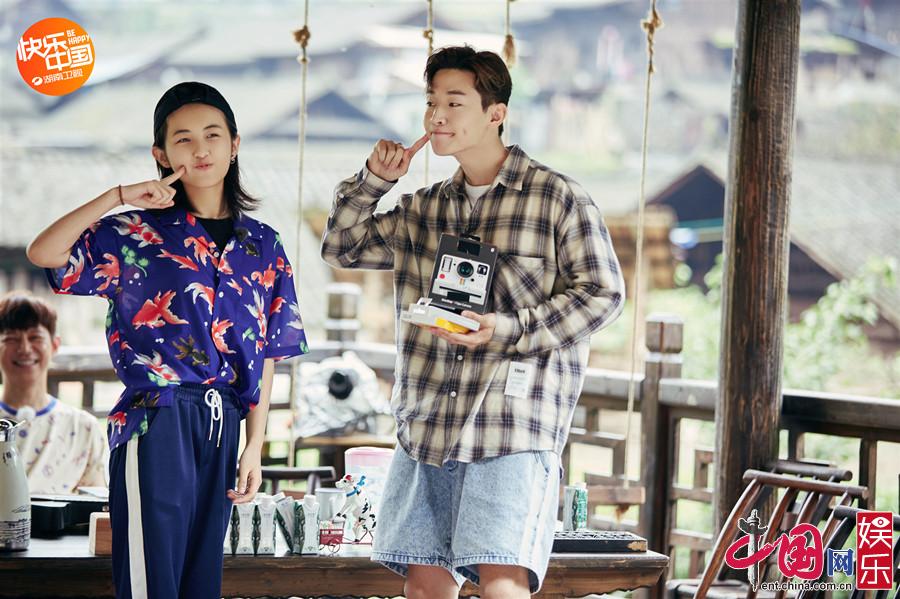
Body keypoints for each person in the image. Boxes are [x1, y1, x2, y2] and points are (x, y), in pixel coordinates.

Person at [321, 46, 625, 598]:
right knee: (424, 586)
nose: (436, 116)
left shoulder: (557, 199)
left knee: (501, 582)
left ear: (495, 113)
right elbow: (342, 247)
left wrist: (508, 328)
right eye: (431, 102)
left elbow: (603, 294)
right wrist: (373, 182)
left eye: (454, 102)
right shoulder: (423, 208)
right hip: (428, 422)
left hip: (511, 424)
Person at [27, 81, 308, 599]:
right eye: (183, 139)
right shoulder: (134, 232)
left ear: (234, 145)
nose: (201, 149)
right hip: (157, 419)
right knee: (152, 585)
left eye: (213, 135)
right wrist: (118, 197)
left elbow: (268, 351)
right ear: (161, 154)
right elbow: (45, 254)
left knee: (201, 587)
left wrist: (254, 446)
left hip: (224, 425)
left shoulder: (263, 244)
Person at [0, 291, 108, 494]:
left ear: (54, 345)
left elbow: (94, 505)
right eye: (11, 339)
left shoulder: (83, 428)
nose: (25, 348)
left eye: (35, 337)